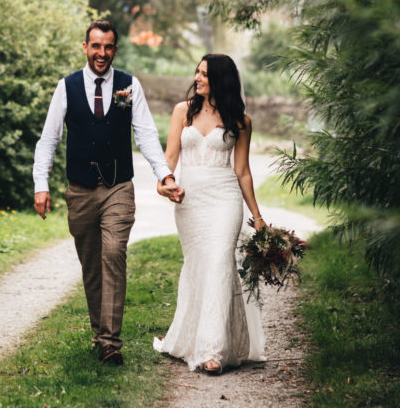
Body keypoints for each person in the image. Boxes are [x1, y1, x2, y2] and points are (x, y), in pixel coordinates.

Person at [33, 18, 184, 365]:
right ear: (85, 48)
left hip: (118, 186)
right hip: (80, 190)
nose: (102, 53)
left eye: (108, 46)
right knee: (91, 265)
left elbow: (145, 134)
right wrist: (41, 185)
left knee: (113, 254)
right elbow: (49, 140)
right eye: (95, 46)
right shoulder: (66, 86)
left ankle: (110, 342)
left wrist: (165, 174)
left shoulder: (129, 86)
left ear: (116, 49)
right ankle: (100, 333)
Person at [153, 53, 266, 374]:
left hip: (225, 199)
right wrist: (165, 184)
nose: (198, 78)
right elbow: (169, 158)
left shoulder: (240, 121)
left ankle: (213, 351)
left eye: (205, 74)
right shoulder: (182, 112)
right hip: (190, 203)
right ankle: (192, 339)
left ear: (221, 80)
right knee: (199, 267)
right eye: (197, 72)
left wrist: (256, 216)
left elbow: (243, 171)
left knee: (219, 262)